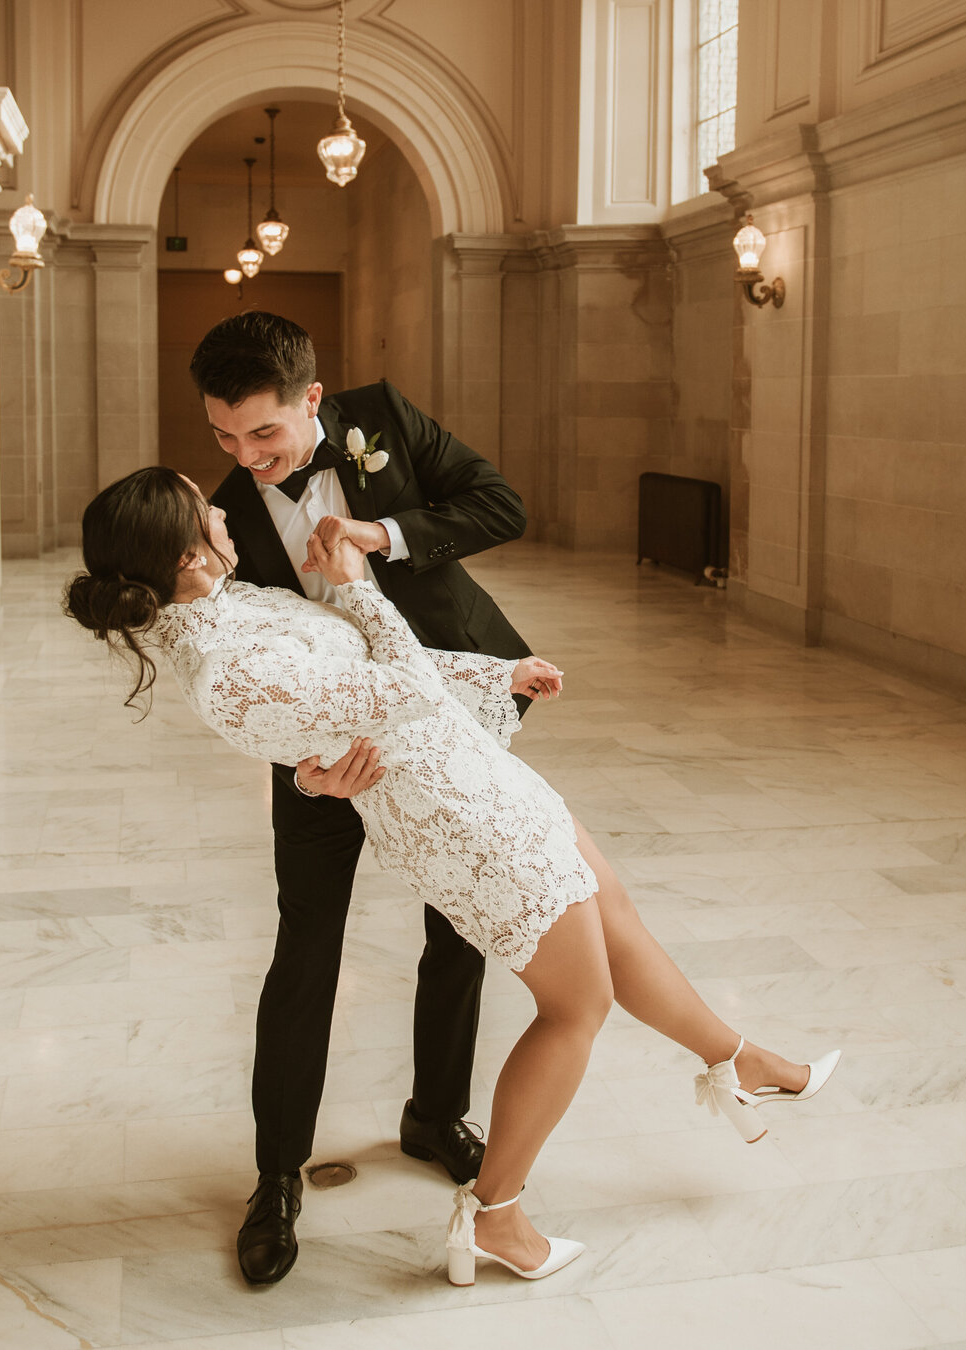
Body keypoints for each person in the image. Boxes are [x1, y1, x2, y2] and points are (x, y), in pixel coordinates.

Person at [65, 467, 841, 1289]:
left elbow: (372, 674)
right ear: (187, 554)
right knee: (578, 1005)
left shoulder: (232, 607)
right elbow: (396, 687)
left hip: (476, 776)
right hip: (462, 821)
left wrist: (491, 674)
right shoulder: (226, 666)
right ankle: (497, 1216)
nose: (222, 511)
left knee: (616, 919)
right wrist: (359, 589)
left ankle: (740, 1061)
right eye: (204, 509)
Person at [189, 311, 534, 1284]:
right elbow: (235, 655)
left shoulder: (382, 421)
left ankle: (435, 1114)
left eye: (264, 434)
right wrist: (305, 765)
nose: (247, 459)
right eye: (223, 435)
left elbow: (501, 504)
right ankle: (276, 1174)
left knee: (459, 922)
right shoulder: (227, 508)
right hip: (319, 747)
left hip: (452, 705)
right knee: (306, 943)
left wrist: (383, 532)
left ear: (313, 398)